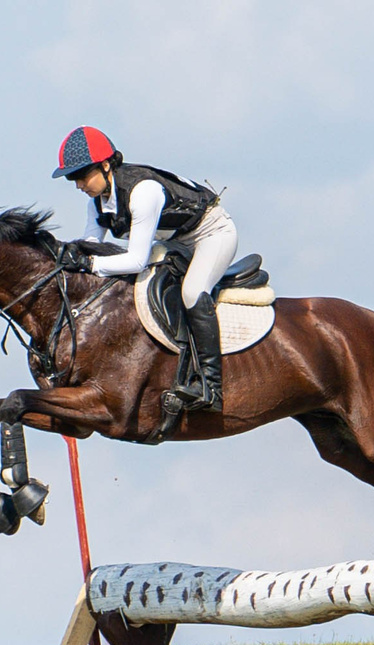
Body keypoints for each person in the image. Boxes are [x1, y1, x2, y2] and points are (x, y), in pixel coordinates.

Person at [51, 125, 239, 429]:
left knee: (192, 291)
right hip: (174, 243)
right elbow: (91, 245)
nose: (78, 184)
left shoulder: (142, 192)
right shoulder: (97, 203)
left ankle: (211, 386)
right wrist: (67, 256)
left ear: (106, 165)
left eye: (82, 175)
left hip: (211, 234)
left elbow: (136, 260)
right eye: (72, 178)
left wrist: (90, 263)